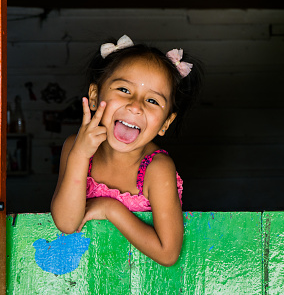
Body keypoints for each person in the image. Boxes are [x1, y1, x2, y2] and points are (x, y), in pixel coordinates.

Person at [50, 34, 203, 266]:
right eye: (123, 89)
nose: (135, 106)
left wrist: (111, 209)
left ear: (165, 123)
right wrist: (80, 155)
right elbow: (66, 223)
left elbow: (168, 253)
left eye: (152, 101)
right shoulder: (75, 147)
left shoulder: (156, 168)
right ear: (94, 97)